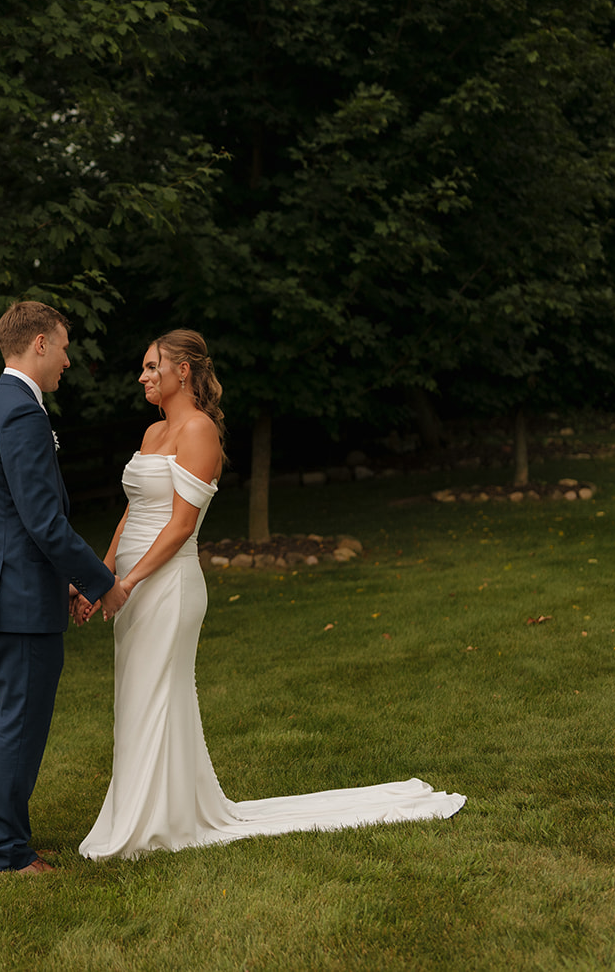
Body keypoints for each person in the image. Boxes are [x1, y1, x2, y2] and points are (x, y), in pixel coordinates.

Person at [78, 329, 465, 860]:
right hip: (129, 587)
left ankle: (153, 823)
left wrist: (128, 581)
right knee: (137, 700)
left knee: (156, 696)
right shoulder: (150, 435)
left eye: (151, 366)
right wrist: (103, 578)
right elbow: (132, 515)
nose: (143, 376)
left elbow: (181, 526)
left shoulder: (199, 431)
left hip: (166, 586)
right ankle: (152, 813)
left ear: (182, 371)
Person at [0, 301, 131, 875]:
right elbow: (42, 521)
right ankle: (7, 854)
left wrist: (60, 580)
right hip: (19, 599)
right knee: (21, 721)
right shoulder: (21, 414)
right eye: (63, 346)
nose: (67, 359)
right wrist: (99, 582)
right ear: (38, 343)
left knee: (7, 715)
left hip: (3, 589)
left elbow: (16, 520)